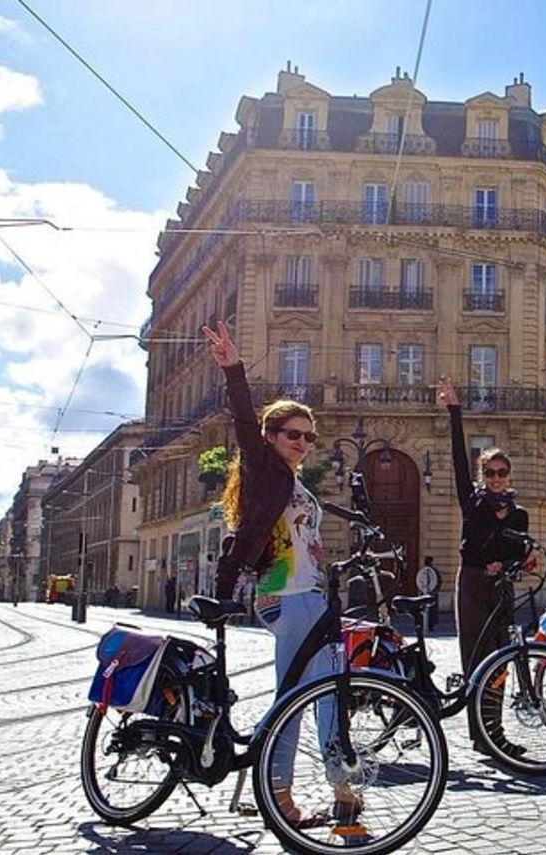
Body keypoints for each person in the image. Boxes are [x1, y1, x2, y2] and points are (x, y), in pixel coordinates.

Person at [202, 320, 357, 828]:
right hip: (288, 598)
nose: (304, 443)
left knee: (324, 690)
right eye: (294, 435)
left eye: (309, 437)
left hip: (305, 596)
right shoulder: (264, 468)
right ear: (272, 438)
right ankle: (281, 794)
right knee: (297, 698)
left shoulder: (290, 480)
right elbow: (246, 425)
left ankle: (341, 788)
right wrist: (234, 370)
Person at [437, 378, 530, 755]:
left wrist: (509, 564)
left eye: (501, 472)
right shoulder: (472, 502)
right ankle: (481, 736)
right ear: (481, 476)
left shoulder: (519, 514)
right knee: (476, 658)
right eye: (489, 473)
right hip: (473, 584)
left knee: (502, 657)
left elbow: (521, 553)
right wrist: (455, 411)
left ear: (509, 475)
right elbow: (459, 458)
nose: (495, 478)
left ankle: (496, 732)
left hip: (501, 587)